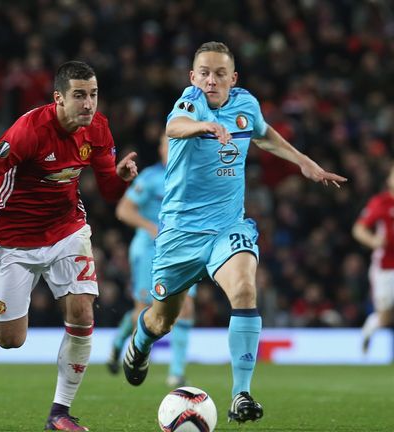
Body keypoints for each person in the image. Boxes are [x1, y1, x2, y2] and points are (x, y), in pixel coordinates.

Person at [120, 42, 346, 424]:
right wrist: (204, 126)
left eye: (219, 73)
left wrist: (304, 162)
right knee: (162, 322)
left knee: (244, 288)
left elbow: (264, 134)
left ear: (233, 78)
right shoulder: (190, 103)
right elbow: (174, 126)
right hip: (179, 234)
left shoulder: (246, 105)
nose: (211, 80)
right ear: (193, 77)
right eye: (204, 73)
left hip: (228, 227)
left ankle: (241, 393)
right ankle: (139, 345)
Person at [0, 61, 138, 431]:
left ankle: (60, 412)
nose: (89, 104)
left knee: (82, 313)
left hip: (67, 230)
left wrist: (121, 178)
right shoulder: (30, 131)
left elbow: (108, 191)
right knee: (10, 341)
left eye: (93, 94)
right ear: (59, 98)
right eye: (79, 95)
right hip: (15, 239)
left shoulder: (99, 129)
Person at [106, 135, 196, 388]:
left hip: (182, 251)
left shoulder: (194, 176)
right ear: (161, 149)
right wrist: (149, 226)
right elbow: (124, 210)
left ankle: (176, 373)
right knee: (144, 311)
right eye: (168, 144)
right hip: (149, 251)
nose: (173, 149)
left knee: (185, 307)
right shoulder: (150, 178)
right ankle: (118, 344)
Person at [352, 165, 394, 354]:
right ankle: (370, 329)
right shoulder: (381, 202)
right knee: (385, 318)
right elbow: (359, 229)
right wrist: (374, 241)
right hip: (386, 267)